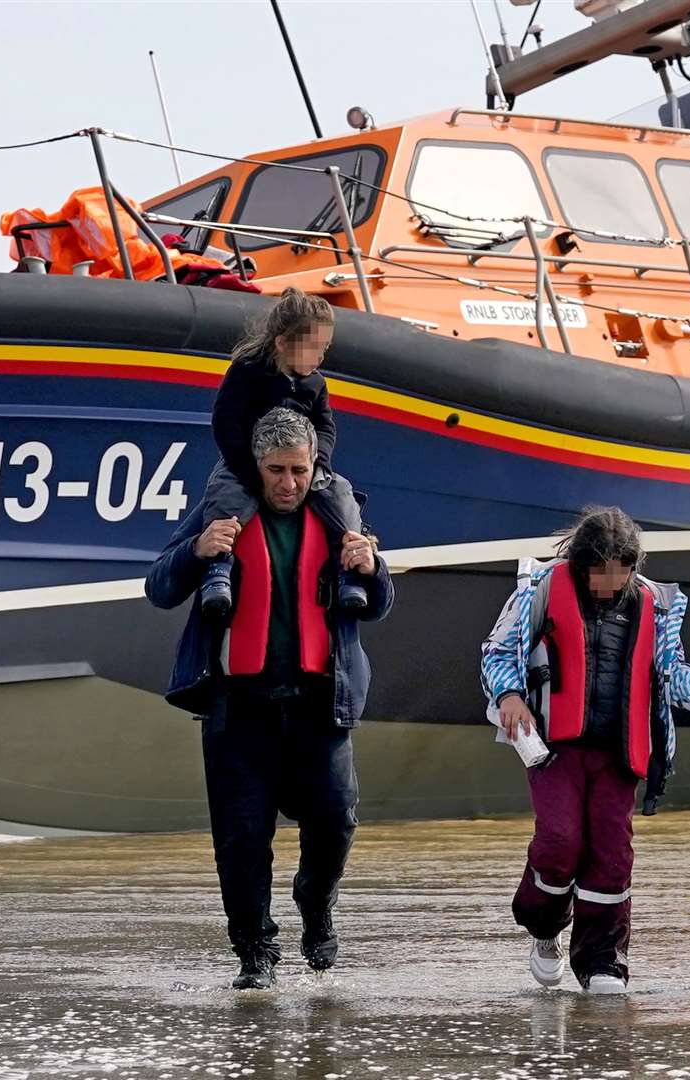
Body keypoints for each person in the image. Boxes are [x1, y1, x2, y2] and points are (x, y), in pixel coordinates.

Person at [144, 407, 394, 990]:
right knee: (241, 840)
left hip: (319, 704)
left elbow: (379, 605)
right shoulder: (221, 515)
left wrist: (374, 568)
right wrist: (197, 550)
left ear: (313, 468)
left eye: (299, 471)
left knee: (336, 820)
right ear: (257, 469)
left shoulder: (338, 519)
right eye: (277, 471)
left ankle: (314, 901)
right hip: (240, 708)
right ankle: (255, 952)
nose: (288, 483)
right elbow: (158, 587)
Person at [480, 507, 690, 994]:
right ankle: (545, 929)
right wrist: (510, 696)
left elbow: (673, 675)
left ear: (634, 567)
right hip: (553, 750)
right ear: (581, 563)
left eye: (622, 572)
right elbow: (498, 652)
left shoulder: (655, 604)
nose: (610, 583)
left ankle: (603, 963)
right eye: (600, 572)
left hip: (618, 754)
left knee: (612, 855)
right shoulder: (538, 591)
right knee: (560, 842)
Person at [198, 288, 367, 620]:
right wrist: (250, 472)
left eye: (325, 349)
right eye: (315, 348)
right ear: (283, 342)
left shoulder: (315, 384)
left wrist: (319, 464)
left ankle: (349, 570)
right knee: (226, 496)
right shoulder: (247, 372)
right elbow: (226, 422)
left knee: (341, 496)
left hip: (306, 464)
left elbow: (325, 425)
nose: (320, 358)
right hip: (246, 463)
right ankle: (218, 569)